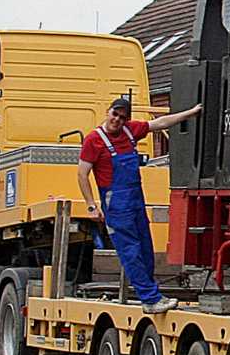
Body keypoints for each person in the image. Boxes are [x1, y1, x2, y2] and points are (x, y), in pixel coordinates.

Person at [77, 95, 201, 315]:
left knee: (145, 249)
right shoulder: (93, 140)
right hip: (116, 203)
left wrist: (191, 112)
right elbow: (82, 174)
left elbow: (160, 123)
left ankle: (151, 295)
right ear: (108, 112)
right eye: (115, 114)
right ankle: (150, 299)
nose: (117, 120)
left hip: (135, 199)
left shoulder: (130, 130)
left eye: (122, 117)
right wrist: (90, 205)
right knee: (130, 251)